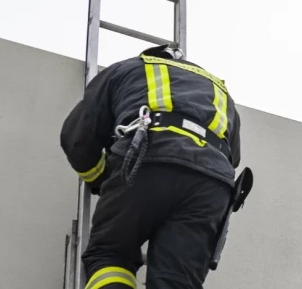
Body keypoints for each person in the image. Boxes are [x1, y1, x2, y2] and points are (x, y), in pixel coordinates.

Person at [60, 44, 243, 288]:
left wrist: (100, 179)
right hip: (213, 183)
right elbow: (233, 157)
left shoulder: (127, 69)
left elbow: (77, 139)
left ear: (149, 57)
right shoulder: (221, 93)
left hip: (147, 159)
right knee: (177, 279)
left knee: (111, 256)